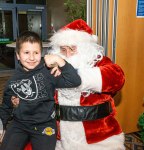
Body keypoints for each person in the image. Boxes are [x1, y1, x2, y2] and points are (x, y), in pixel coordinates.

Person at [21, 19, 125, 150]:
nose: (68, 54)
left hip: (98, 138)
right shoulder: (52, 66)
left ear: (85, 48)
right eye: (63, 50)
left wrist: (71, 73)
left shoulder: (98, 62)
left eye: (72, 48)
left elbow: (117, 78)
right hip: (59, 138)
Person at [0, 31, 81, 150]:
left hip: (45, 124)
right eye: (26, 52)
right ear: (18, 55)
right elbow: (6, 106)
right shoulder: (12, 81)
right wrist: (1, 125)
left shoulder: (49, 72)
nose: (32, 57)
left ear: (41, 53)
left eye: (36, 53)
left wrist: (60, 61)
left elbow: (75, 81)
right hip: (19, 124)